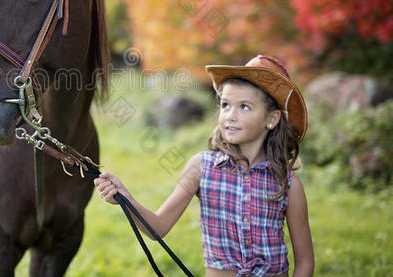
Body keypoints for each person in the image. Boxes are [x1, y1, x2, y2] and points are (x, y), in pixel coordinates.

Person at [95, 55, 314, 277]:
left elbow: (305, 263)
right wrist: (126, 199)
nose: (230, 115)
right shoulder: (201, 167)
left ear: (272, 118)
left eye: (245, 107)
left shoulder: (288, 185)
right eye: (226, 105)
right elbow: (158, 227)